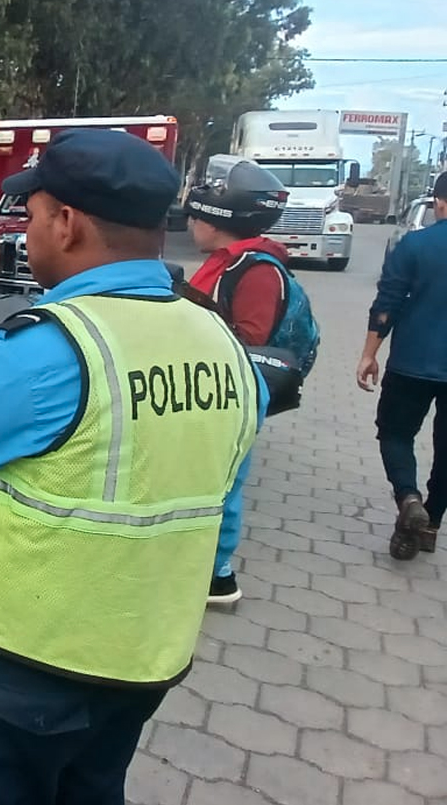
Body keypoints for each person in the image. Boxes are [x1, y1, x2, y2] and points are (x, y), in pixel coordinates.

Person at [0, 128, 268, 805]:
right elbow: (225, 498)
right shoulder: (220, 343)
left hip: (23, 666)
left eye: (34, 215)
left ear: (68, 223)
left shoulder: (51, 350)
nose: (27, 232)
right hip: (144, 660)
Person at [183, 156, 293, 605]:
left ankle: (218, 574)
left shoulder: (258, 269)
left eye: (197, 217)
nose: (192, 224)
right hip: (210, 381)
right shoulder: (228, 260)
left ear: (219, 220)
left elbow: (250, 338)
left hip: (234, 386)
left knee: (223, 479)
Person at [356, 171, 447, 560]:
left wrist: (369, 353)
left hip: (411, 362)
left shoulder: (414, 245)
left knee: (395, 433)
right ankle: (429, 524)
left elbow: (387, 303)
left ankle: (408, 498)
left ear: (439, 202)